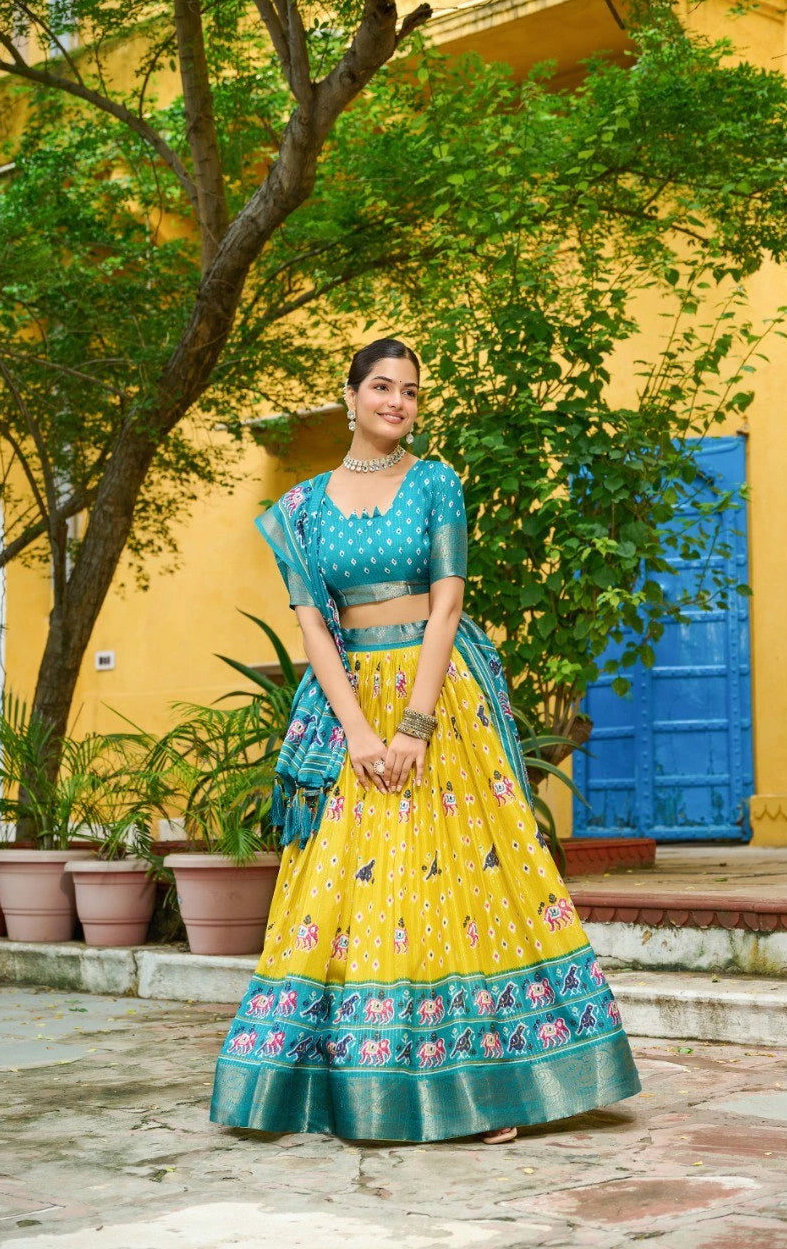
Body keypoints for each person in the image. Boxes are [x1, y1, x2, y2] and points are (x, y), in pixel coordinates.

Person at [209, 337, 642, 1144]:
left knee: (461, 881)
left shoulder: (436, 482)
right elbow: (313, 627)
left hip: (441, 703)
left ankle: (484, 1090)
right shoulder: (300, 510)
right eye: (381, 387)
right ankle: (341, 1083)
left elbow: (445, 607)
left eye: (409, 391)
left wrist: (413, 723)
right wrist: (360, 731)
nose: (396, 403)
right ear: (348, 396)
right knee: (353, 886)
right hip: (351, 702)